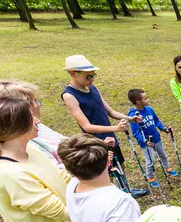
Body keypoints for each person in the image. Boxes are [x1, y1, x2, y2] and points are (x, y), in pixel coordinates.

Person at [61, 54, 148, 198]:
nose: (92, 79)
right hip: (96, 141)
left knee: (120, 163)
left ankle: (126, 190)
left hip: (110, 136)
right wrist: (116, 128)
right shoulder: (69, 95)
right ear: (72, 73)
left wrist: (130, 118)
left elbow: (110, 111)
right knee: (106, 170)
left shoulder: (93, 88)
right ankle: (111, 197)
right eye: (88, 76)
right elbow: (87, 126)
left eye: (93, 75)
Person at [0, 80, 67, 169]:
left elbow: (62, 139)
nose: (38, 105)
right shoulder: (24, 143)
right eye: (34, 101)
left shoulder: (37, 125)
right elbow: (56, 170)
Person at [128, 88, 179, 188]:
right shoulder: (133, 116)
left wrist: (163, 128)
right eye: (145, 98)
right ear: (138, 101)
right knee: (150, 161)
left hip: (156, 138)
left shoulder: (149, 109)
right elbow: (136, 132)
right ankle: (150, 177)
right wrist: (144, 141)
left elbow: (156, 121)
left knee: (162, 154)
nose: (148, 100)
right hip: (147, 143)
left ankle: (167, 167)